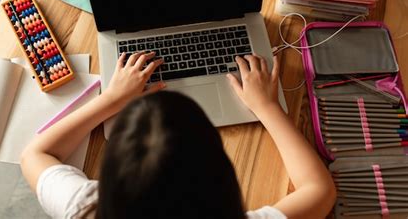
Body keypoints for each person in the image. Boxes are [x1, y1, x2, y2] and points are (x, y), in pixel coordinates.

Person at [21, 51, 336, 219]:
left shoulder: (86, 208)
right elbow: (319, 190)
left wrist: (111, 99)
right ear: (222, 178)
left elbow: (35, 155)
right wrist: (267, 106)